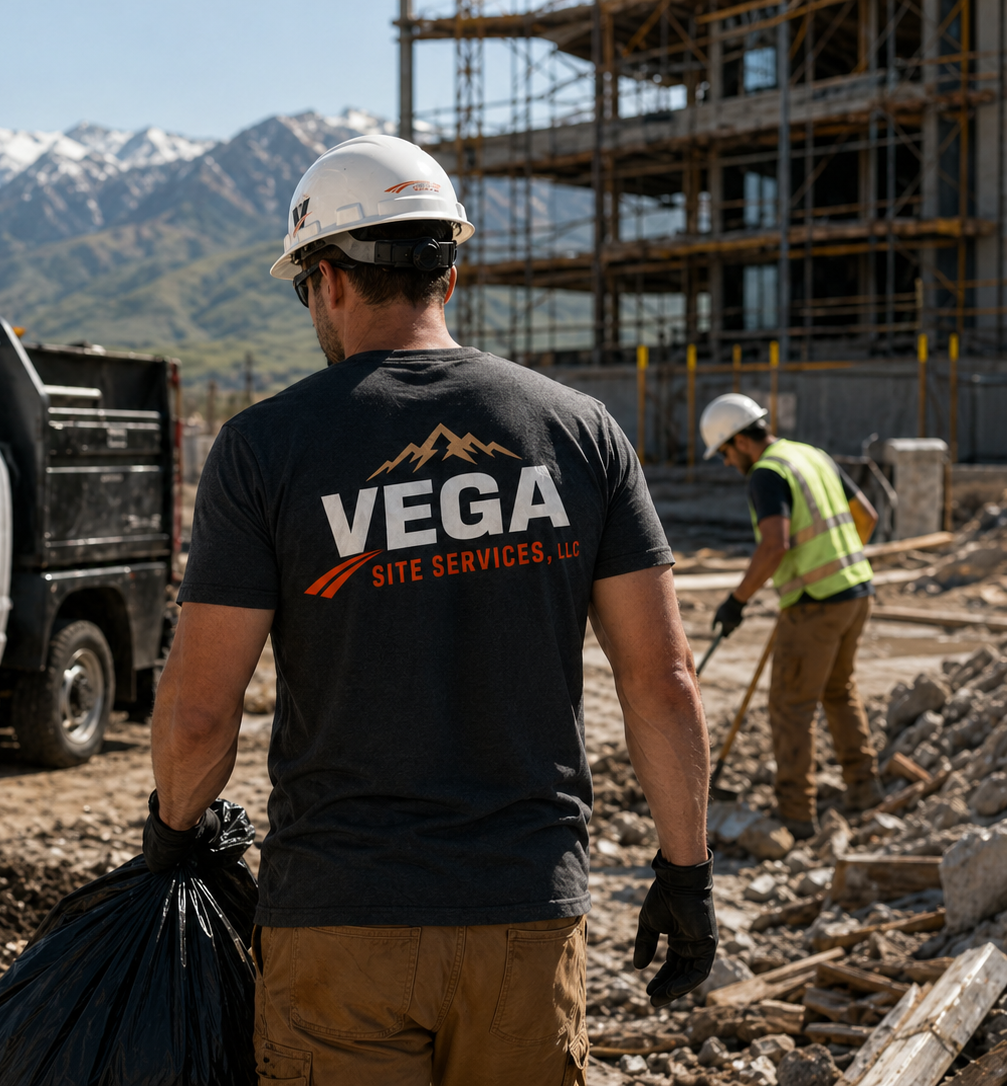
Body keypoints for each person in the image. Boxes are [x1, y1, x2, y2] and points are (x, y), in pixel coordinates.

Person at [143, 135, 717, 1086]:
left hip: (339, 920)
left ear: (327, 279)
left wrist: (171, 837)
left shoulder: (262, 450)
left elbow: (202, 713)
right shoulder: (580, 432)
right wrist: (686, 873)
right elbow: (662, 679)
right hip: (524, 915)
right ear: (449, 269)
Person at [700, 394, 883, 840]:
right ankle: (864, 786)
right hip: (856, 590)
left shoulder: (768, 473)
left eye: (725, 452)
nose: (727, 463)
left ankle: (797, 815)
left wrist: (738, 600)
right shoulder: (811, 455)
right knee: (838, 690)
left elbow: (774, 545)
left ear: (742, 441)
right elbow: (867, 517)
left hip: (816, 602)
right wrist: (830, 561)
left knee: (790, 706)